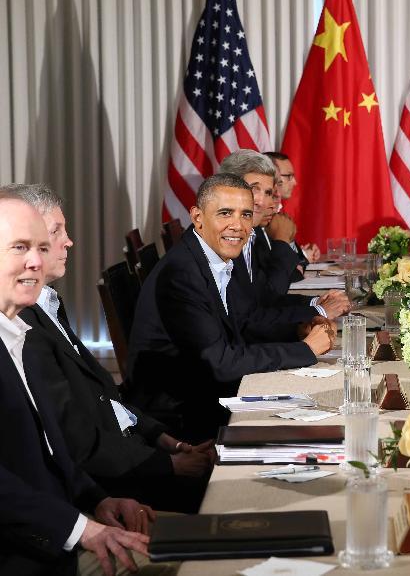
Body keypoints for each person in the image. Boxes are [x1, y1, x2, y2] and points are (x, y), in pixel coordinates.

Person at [0, 183, 211, 514]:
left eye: (42, 243)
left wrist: (165, 441)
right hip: (112, 481)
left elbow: (102, 395)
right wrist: (166, 465)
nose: (67, 241)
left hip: (111, 474)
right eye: (23, 246)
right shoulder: (24, 328)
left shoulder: (46, 305)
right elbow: (70, 441)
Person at [0, 195, 152, 576]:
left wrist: (97, 499)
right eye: (20, 248)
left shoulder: (24, 337)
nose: (35, 261)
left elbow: (49, 449)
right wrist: (80, 529)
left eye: (39, 247)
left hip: (61, 524)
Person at [125, 174, 334, 441]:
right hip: (180, 416)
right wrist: (304, 350)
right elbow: (220, 362)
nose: (238, 225)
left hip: (207, 391)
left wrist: (299, 328)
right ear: (198, 217)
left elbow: (244, 323)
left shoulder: (213, 257)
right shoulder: (182, 274)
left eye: (246, 215)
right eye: (225, 213)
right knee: (321, 425)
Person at [220, 150, 348, 318]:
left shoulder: (248, 234)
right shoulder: (223, 240)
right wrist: (317, 313)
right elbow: (250, 318)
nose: (263, 201)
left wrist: (316, 304)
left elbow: (263, 298)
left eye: (267, 193)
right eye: (254, 189)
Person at [263, 151, 320, 263]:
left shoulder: (278, 213)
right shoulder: (258, 217)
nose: (295, 182)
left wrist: (301, 254)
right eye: (289, 176)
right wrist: (302, 257)